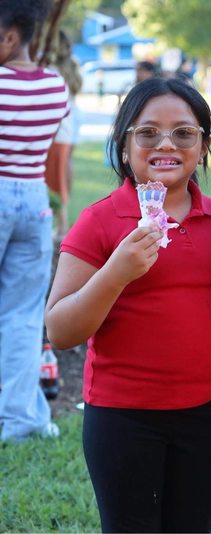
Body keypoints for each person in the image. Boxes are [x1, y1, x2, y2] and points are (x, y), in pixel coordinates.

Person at [44, 78, 211, 532]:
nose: (166, 144)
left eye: (184, 133)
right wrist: (116, 273)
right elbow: (59, 330)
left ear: (204, 146)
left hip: (200, 416)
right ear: (124, 145)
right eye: (148, 132)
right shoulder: (100, 220)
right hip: (122, 418)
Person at [0, 0, 69, 442]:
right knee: (23, 315)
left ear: (10, 36)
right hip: (34, 199)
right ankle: (21, 419)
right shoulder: (55, 86)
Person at [44, 30, 82, 237]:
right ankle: (61, 224)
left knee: (54, 180)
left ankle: (62, 226)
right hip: (68, 128)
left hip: (56, 130)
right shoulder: (70, 67)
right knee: (62, 173)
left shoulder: (51, 70)